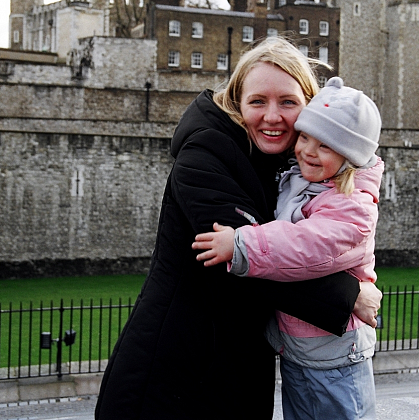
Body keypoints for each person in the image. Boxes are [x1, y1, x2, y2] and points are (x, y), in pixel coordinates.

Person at [95, 38, 382, 420]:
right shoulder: (204, 155)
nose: (273, 116)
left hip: (229, 364)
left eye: (288, 102)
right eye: (258, 101)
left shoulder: (286, 166)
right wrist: (347, 296)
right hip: (177, 370)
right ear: (236, 102)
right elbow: (251, 260)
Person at [194, 77, 383, 419]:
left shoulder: (351, 204)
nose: (307, 150)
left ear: (350, 156)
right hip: (301, 350)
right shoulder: (304, 178)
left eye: (324, 146)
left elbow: (305, 246)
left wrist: (241, 245)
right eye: (305, 137)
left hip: (335, 356)